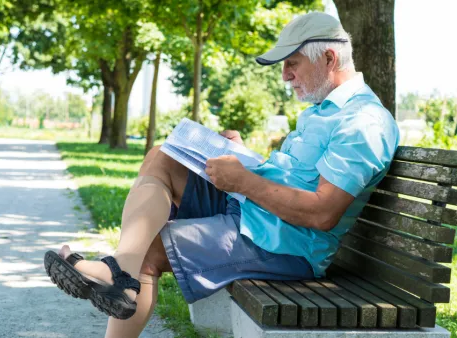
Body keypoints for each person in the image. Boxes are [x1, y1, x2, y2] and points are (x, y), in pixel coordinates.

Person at [44, 11, 400, 338]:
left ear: (329, 58)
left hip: (285, 245)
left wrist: (245, 180)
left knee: (150, 253)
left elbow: (323, 213)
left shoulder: (362, 123)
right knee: (163, 157)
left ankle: (119, 273)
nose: (285, 75)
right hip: (259, 214)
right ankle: (119, 271)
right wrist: (242, 156)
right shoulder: (325, 109)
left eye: (292, 64)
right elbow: (296, 177)